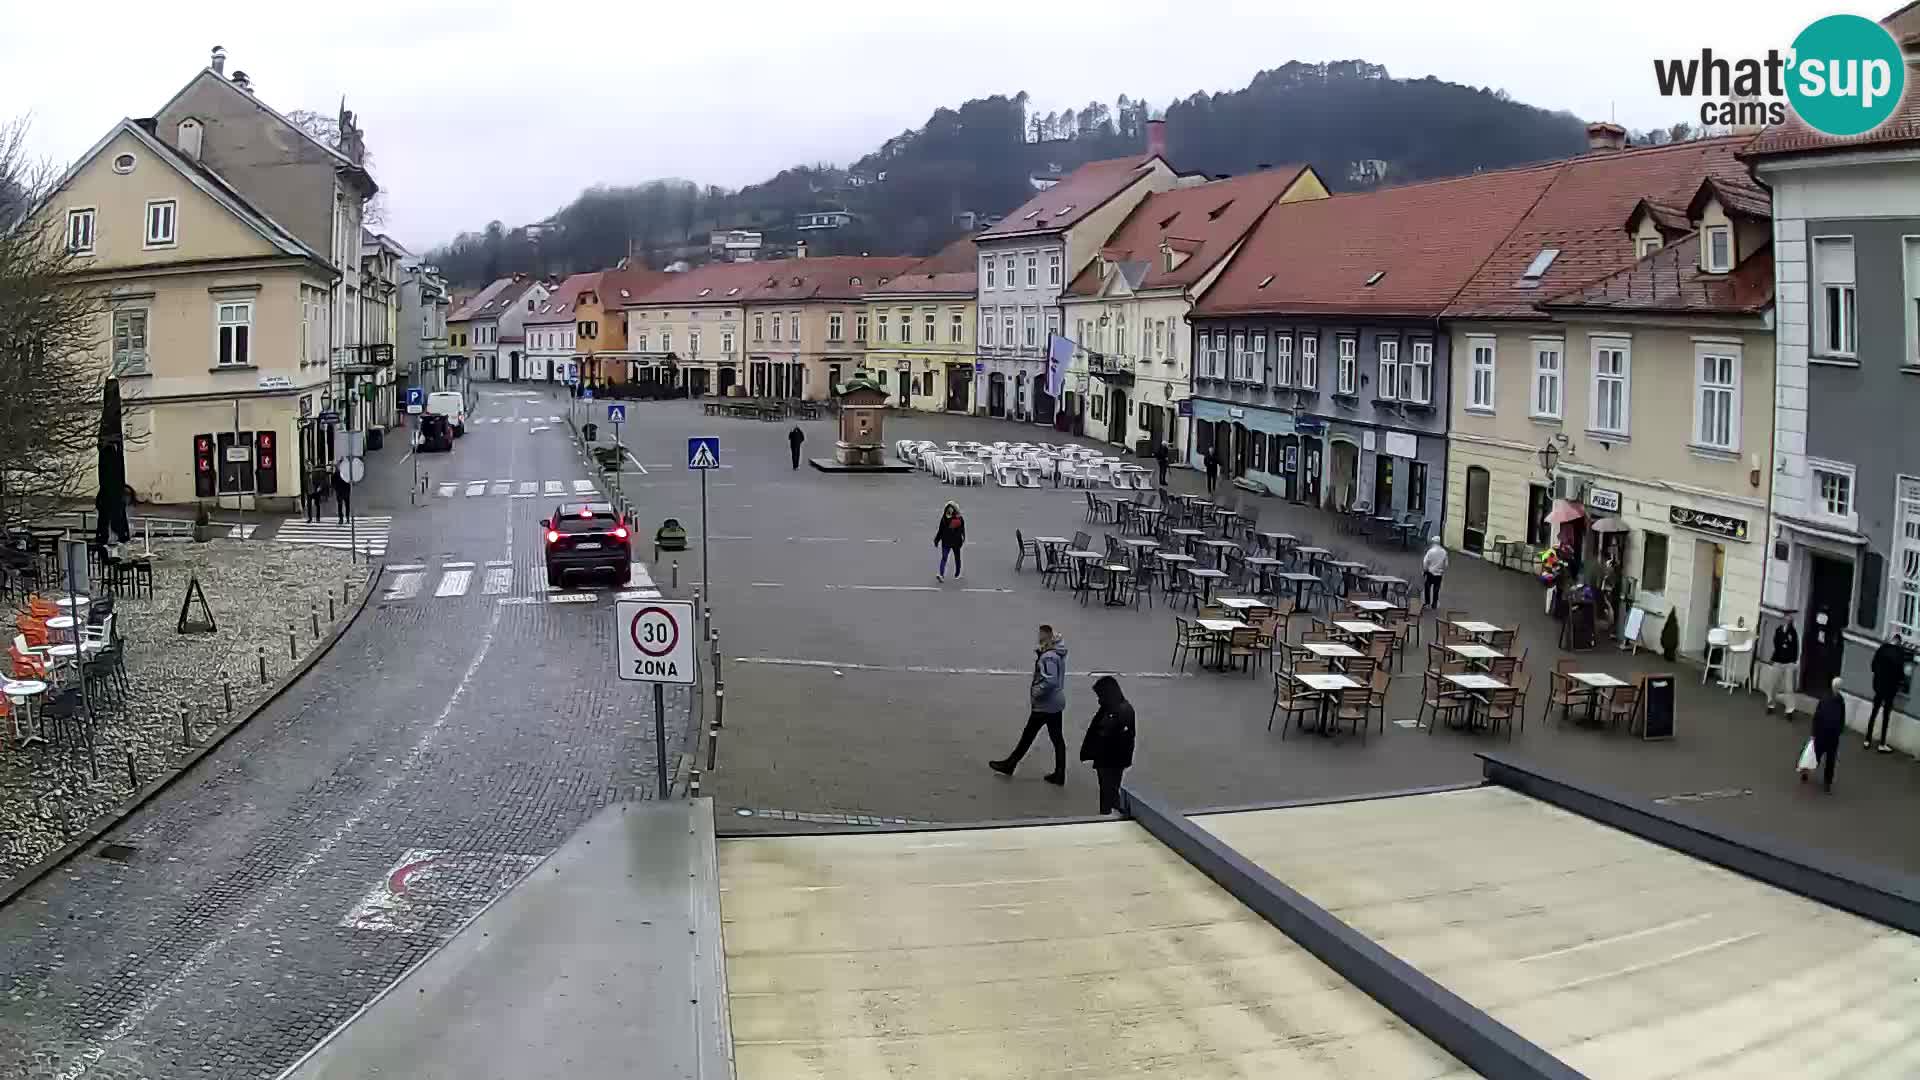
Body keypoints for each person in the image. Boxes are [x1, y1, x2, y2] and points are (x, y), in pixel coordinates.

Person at [990, 626, 1068, 785]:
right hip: (1055, 703)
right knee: (1056, 739)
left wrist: (1036, 692)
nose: (1038, 636)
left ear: (1047, 637)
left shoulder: (1048, 657)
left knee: (1028, 736)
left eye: (1041, 634)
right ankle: (1059, 774)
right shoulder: (1054, 654)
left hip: (1045, 704)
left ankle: (1010, 764)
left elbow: (1050, 681)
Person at [1079, 675, 1136, 815]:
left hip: (1110, 760)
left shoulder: (1116, 711)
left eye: (1100, 695)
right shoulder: (1116, 707)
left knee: (1108, 791)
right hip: (1114, 759)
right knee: (1110, 790)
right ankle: (1111, 813)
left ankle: (1108, 816)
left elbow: (1106, 734)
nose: (1098, 699)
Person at [1867, 634, 1907, 752]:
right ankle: (1882, 743)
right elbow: (1900, 673)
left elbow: (1873, 666)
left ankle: (1867, 739)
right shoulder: (1899, 653)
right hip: (1890, 689)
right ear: (1899, 642)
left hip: (1879, 687)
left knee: (1874, 712)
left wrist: (1878, 677)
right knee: (1886, 716)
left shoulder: (1882, 649)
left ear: (1891, 640)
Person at [1808, 676, 1846, 792]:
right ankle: (1807, 770)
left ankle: (1827, 782)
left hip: (1832, 735)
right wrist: (1814, 732)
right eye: (1836, 687)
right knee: (1817, 756)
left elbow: (1841, 717)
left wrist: (1839, 730)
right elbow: (1818, 716)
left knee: (1830, 760)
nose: (1837, 689)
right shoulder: (1827, 699)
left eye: (1838, 687)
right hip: (1823, 734)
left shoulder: (1839, 701)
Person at [1762, 619, 1800, 719]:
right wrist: (1774, 658)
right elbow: (1776, 644)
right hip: (1778, 661)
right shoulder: (1778, 630)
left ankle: (1790, 711)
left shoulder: (1793, 632)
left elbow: (1795, 647)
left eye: (1789, 619)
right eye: (1785, 618)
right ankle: (1771, 705)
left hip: (1789, 663)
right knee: (1773, 684)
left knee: (1789, 688)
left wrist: (1794, 661)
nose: (1786, 620)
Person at [934, 502, 966, 582]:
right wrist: (937, 539)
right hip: (947, 541)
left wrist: (962, 538)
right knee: (946, 558)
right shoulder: (945, 518)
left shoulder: (958, 519)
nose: (949, 512)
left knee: (955, 558)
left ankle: (957, 573)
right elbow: (941, 530)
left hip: (954, 542)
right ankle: (941, 574)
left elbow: (962, 530)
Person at [1421, 536, 1448, 607]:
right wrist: (1442, 570)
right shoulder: (1444, 552)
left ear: (1433, 543)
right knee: (1436, 589)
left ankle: (1427, 602)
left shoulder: (1430, 551)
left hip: (1430, 572)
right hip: (1439, 574)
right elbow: (1446, 564)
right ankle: (1434, 603)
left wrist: (1425, 570)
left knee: (1427, 587)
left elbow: (1425, 562)